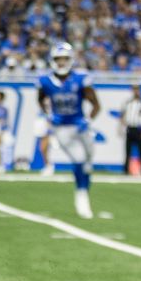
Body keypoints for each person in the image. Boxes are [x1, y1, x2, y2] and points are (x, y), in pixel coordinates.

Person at [38, 42, 101, 219]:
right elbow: (40, 100)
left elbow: (96, 104)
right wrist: (49, 114)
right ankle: (82, 196)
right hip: (62, 128)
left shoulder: (81, 79)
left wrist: (87, 120)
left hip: (81, 126)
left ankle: (84, 190)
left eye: (65, 59)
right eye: (58, 59)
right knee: (79, 160)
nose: (61, 63)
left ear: (71, 60)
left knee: (88, 162)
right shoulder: (46, 81)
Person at [120, 84, 141, 175]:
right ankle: (126, 170)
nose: (136, 91)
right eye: (134, 89)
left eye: (137, 89)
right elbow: (122, 116)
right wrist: (122, 127)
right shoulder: (127, 103)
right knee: (128, 151)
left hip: (139, 129)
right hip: (130, 128)